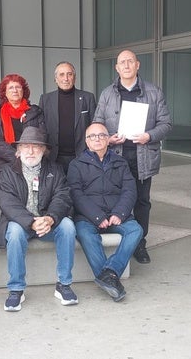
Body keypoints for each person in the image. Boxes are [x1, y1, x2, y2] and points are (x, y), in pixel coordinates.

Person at [93, 50, 172, 264]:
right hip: (114, 158)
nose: (126, 65)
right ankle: (116, 239)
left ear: (137, 65)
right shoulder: (107, 94)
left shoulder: (154, 92)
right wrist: (108, 138)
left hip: (142, 157)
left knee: (141, 202)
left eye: (130, 61)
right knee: (113, 199)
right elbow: (96, 123)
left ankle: (139, 244)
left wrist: (149, 135)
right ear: (117, 68)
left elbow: (166, 124)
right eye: (122, 62)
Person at [0, 126, 78, 311]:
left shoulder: (55, 170)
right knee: (14, 232)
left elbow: (62, 196)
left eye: (35, 146)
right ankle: (16, 289)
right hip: (20, 224)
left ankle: (64, 284)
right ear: (18, 151)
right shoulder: (7, 172)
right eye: (26, 146)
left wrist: (50, 218)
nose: (30, 151)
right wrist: (31, 222)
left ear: (43, 150)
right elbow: (8, 204)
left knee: (68, 226)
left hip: (47, 224)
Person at [67, 123, 143, 302]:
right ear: (86, 141)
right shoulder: (76, 164)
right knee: (84, 233)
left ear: (108, 139)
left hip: (117, 215)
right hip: (88, 217)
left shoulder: (120, 162)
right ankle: (111, 279)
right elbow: (75, 193)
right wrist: (97, 216)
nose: (98, 139)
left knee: (136, 230)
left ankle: (109, 272)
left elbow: (130, 190)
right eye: (92, 136)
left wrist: (120, 213)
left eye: (102, 135)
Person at [39, 61, 96, 173]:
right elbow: (41, 128)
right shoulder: (46, 99)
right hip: (53, 158)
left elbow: (94, 125)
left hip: (81, 156)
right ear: (55, 79)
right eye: (61, 74)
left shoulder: (87, 98)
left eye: (69, 74)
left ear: (74, 78)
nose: (66, 78)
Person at [0, 74, 45, 180]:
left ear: (23, 90)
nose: (15, 90)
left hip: (32, 160)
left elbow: (42, 135)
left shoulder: (35, 112)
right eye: (10, 88)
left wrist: (27, 155)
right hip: (5, 163)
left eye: (18, 87)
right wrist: (16, 155)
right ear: (5, 93)